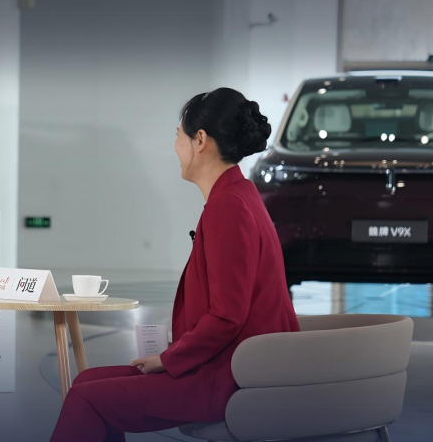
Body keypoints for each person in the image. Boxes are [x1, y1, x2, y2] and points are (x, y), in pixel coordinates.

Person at [50, 88, 299, 441]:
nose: (175, 146)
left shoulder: (228, 207)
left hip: (227, 376)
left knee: (88, 397)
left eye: (178, 134)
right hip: (235, 364)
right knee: (86, 382)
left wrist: (169, 359)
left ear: (200, 140)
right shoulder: (240, 195)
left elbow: (227, 316)